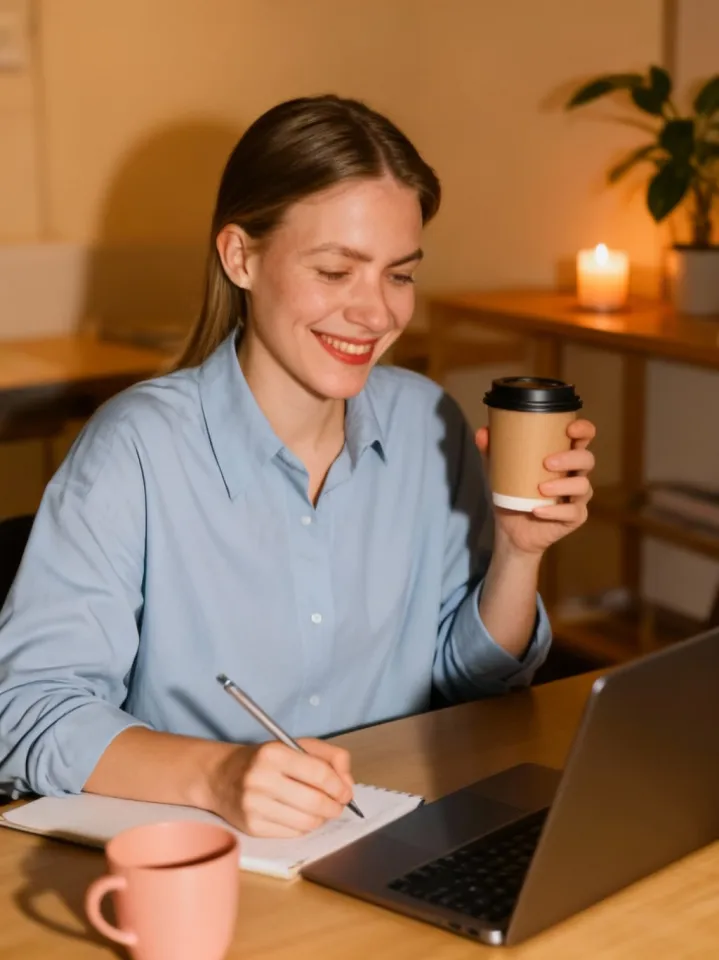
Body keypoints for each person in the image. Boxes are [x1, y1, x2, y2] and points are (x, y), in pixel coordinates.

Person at [0, 95, 595, 838]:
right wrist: (219, 776)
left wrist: (516, 553)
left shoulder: (425, 422)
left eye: (398, 276)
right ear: (240, 257)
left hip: (392, 831)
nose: (375, 313)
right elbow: (27, 711)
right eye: (336, 270)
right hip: (204, 861)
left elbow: (472, 681)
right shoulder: (136, 451)